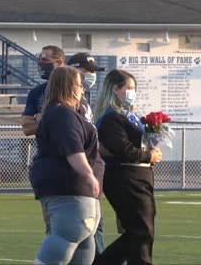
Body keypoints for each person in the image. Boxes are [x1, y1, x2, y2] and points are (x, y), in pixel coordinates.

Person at [30, 66, 104, 264]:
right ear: (70, 87)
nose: (83, 90)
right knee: (70, 232)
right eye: (80, 85)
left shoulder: (65, 113)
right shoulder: (63, 114)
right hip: (70, 186)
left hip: (75, 189)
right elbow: (73, 150)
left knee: (84, 243)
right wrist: (88, 174)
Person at [93, 69, 162, 265]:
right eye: (129, 88)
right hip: (126, 177)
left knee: (139, 231)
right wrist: (149, 155)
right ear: (116, 89)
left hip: (137, 175)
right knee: (141, 231)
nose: (133, 92)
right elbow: (122, 149)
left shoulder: (127, 115)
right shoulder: (111, 117)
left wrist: (153, 133)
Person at [67, 52, 106, 261]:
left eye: (93, 72)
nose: (91, 76)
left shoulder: (84, 99)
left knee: (95, 228)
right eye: (87, 71)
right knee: (81, 231)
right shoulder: (69, 103)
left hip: (90, 169)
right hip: (79, 174)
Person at [20, 45, 65, 136]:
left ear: (59, 62)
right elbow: (27, 128)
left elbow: (76, 123)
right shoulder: (36, 92)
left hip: (71, 149)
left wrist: (41, 119)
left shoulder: (74, 89)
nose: (40, 63)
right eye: (40, 60)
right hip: (45, 148)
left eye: (45, 60)